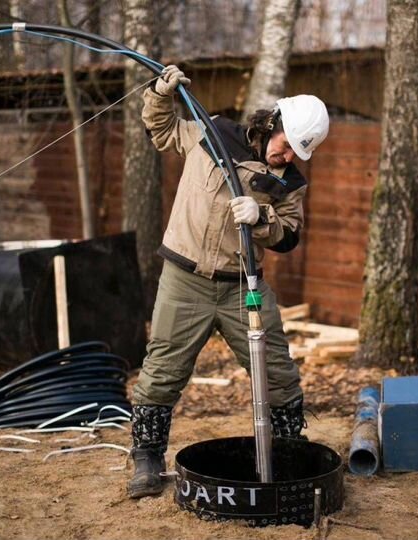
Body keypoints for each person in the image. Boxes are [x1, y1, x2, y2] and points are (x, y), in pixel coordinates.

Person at [128, 65, 329, 499]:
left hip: (243, 286)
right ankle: (146, 458)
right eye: (287, 145)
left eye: (298, 152)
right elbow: (161, 130)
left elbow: (289, 234)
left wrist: (263, 217)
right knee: (162, 371)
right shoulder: (213, 132)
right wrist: (161, 93)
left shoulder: (289, 181)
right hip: (185, 278)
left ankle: (289, 451)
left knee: (277, 373)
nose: (289, 156)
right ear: (273, 123)